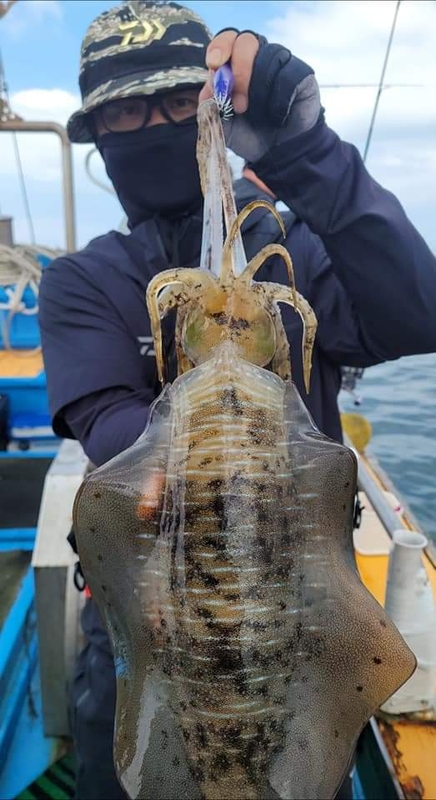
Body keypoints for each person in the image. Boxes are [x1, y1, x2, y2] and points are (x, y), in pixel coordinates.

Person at [38, 1, 436, 798]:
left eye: (180, 104)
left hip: (297, 616)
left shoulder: (298, 259)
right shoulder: (82, 281)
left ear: (212, 110)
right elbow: (108, 421)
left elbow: (417, 308)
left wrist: (309, 153)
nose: (152, 125)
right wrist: (211, 437)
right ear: (98, 138)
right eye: (125, 111)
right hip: (141, 624)